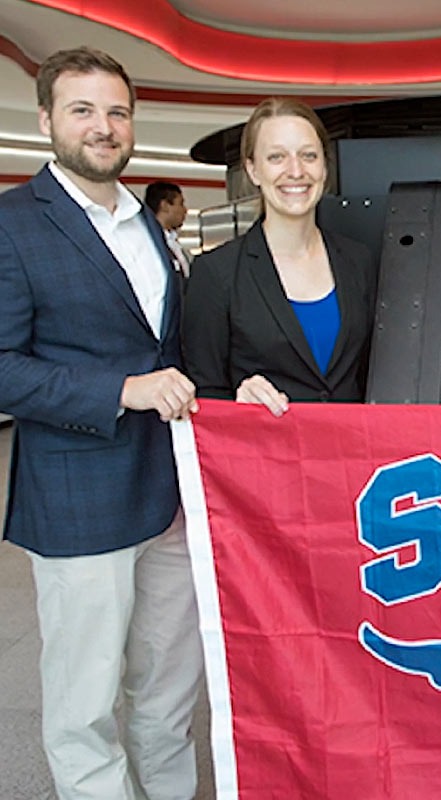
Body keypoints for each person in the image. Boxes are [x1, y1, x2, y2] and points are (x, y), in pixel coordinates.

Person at [0, 47, 202, 800]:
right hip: (77, 499)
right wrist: (122, 389)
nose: (103, 126)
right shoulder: (13, 224)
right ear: (47, 118)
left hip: (170, 493)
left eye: (116, 111)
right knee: (84, 706)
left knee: (169, 692)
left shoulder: (147, 225)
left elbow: (170, 349)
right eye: (82, 109)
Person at [182, 98, 376, 413]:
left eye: (308, 156)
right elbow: (203, 393)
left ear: (324, 167)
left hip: (349, 454)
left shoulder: (358, 261)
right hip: (264, 455)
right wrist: (237, 399)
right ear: (253, 170)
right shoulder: (216, 273)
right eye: (276, 157)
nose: (296, 171)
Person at [145, 180, 191, 277]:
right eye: (181, 204)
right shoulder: (148, 243)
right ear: (165, 206)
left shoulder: (174, 242)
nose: (185, 210)